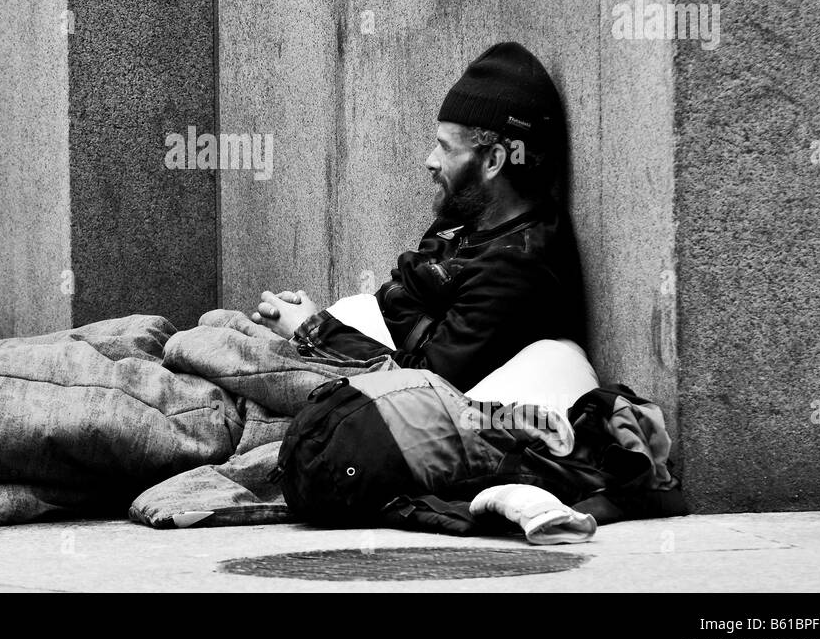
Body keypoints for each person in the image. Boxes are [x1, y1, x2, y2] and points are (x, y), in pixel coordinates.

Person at [250, 41, 587, 393]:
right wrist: (308, 322)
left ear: (493, 161)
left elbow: (427, 383)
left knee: (217, 358)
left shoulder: (519, 268)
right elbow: (398, 297)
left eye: (446, 147)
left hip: (391, 404)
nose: (431, 159)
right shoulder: (466, 217)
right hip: (357, 368)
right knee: (225, 336)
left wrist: (312, 330)